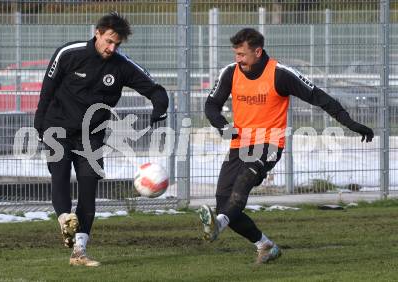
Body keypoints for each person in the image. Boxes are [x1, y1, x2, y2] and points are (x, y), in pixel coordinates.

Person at [199, 28, 374, 264]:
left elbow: (319, 97)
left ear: (258, 52)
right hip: (239, 145)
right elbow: (211, 105)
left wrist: (350, 123)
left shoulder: (280, 74)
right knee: (224, 203)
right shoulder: (230, 73)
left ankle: (218, 225)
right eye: (236, 54)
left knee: (243, 182)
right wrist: (225, 127)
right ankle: (265, 245)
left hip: (270, 145)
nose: (238, 59)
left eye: (242, 54)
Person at [34, 13, 168, 267]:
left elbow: (155, 90)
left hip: (91, 136)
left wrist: (159, 108)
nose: (111, 48)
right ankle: (65, 221)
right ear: (97, 33)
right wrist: (39, 125)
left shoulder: (122, 65)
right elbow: (47, 88)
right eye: (108, 41)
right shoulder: (68, 53)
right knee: (60, 174)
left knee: (88, 189)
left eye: (117, 44)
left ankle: (79, 252)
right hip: (57, 127)